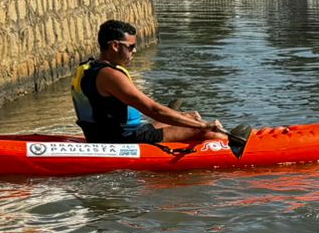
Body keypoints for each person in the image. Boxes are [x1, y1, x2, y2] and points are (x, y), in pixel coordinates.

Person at [71, 20, 227, 145]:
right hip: (123, 141)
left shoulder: (89, 68)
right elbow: (154, 110)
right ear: (115, 46)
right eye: (131, 47)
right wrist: (203, 126)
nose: (135, 51)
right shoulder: (110, 75)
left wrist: (183, 117)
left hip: (108, 135)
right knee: (208, 133)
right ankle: (233, 147)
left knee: (189, 117)